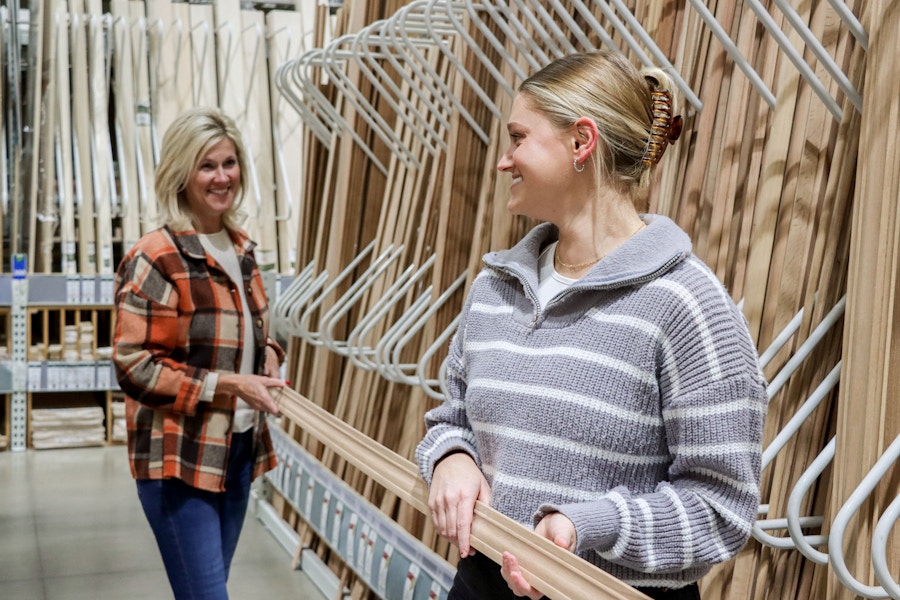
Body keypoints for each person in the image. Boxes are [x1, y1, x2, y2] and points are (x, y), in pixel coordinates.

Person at [415, 51, 768, 600]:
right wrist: (451, 459)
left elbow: (721, 509)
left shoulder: (686, 306)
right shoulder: (495, 289)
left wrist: (589, 526)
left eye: (518, 137)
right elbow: (450, 418)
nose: (504, 161)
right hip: (482, 584)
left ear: (582, 142)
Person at [113, 106, 286, 599]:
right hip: (180, 454)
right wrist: (231, 385)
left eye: (229, 163)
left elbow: (241, 330)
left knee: (205, 590)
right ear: (181, 173)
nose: (221, 177)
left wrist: (268, 350)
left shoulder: (241, 247)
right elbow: (134, 365)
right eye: (207, 166)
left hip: (236, 450)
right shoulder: (157, 256)